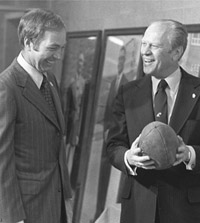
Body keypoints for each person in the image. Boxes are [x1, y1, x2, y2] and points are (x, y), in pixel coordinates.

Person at [106, 19, 200, 223]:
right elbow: (113, 145)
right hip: (138, 209)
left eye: (154, 46)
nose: (145, 52)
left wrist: (190, 153)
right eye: (144, 44)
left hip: (186, 212)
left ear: (176, 53)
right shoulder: (127, 93)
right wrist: (128, 157)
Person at [0, 8, 72, 223]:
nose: (58, 56)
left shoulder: (50, 80)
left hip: (55, 203)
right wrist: (13, 218)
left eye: (62, 48)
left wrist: (66, 195)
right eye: (52, 48)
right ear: (29, 42)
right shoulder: (6, 87)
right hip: (27, 211)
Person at [95, 46, 128, 220]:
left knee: (114, 182)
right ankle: (98, 210)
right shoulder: (113, 81)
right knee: (102, 176)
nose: (120, 62)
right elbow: (108, 111)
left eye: (123, 59)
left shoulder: (128, 85)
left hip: (118, 143)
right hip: (107, 138)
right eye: (119, 59)